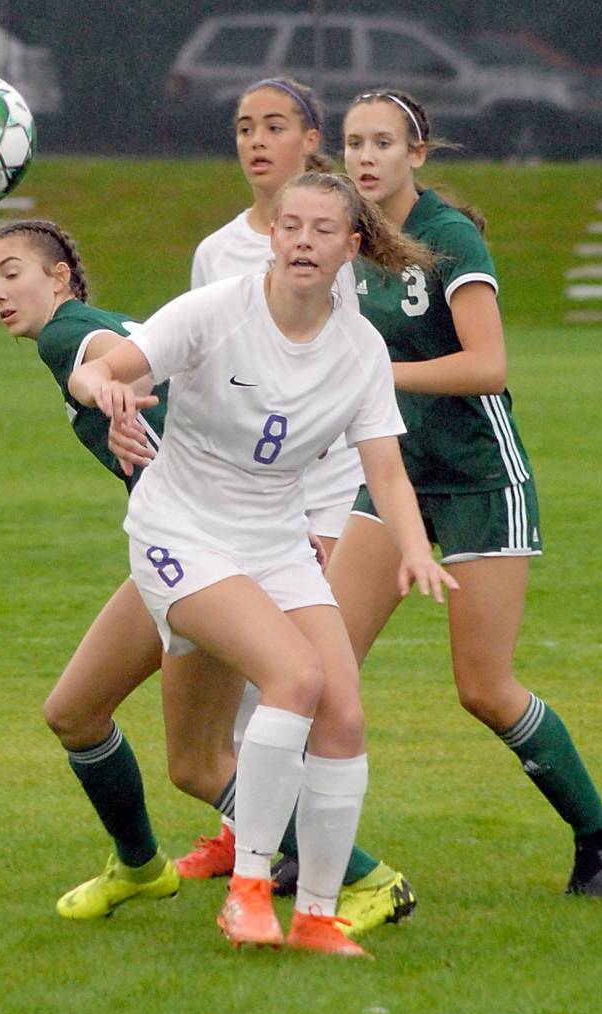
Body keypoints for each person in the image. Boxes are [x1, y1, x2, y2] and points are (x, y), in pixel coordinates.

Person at [0, 219, 409, 939]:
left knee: (203, 759)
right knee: (82, 715)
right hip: (191, 541)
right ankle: (140, 867)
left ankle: (368, 879)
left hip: (203, 549)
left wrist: (104, 395)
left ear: (59, 279)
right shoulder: (100, 327)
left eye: (11, 271)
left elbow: (103, 362)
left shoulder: (68, 332)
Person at [69, 171, 458, 957]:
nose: (303, 242)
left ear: (352, 247)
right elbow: (101, 368)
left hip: (275, 543)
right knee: (296, 679)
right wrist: (102, 394)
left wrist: (414, 547)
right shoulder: (220, 310)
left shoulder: (359, 349)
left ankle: (316, 916)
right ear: (273, 237)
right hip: (180, 532)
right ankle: (248, 892)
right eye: (291, 227)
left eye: (322, 230)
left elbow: (384, 470)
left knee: (342, 712)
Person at [316, 89, 602, 898]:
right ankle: (311, 853)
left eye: (383, 142)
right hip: (393, 481)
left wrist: (374, 376)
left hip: (480, 481)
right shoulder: (347, 242)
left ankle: (598, 837)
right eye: (354, 142)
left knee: (483, 688)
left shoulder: (448, 239)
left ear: (417, 155)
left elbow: (488, 364)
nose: (366, 156)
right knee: (318, 672)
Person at [179, 76, 417, 935]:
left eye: (275, 125)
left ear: (310, 139)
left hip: (299, 507)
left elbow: (331, 398)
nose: (256, 141)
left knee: (293, 684)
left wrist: (323, 521)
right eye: (243, 126)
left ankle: (300, 875)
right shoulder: (216, 255)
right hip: (207, 510)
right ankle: (246, 835)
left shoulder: (332, 261)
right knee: (256, 683)